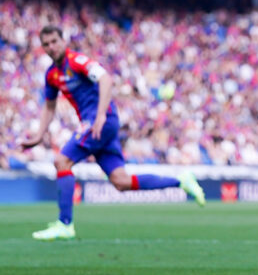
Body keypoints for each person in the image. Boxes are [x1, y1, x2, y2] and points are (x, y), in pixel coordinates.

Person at [20, 26, 206, 241]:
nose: (51, 47)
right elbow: (49, 106)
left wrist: (100, 115)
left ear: (63, 41)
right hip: (98, 125)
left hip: (101, 121)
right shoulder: (52, 75)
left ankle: (65, 224)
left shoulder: (77, 61)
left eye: (54, 41)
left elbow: (105, 78)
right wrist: (38, 135)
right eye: (46, 44)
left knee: (62, 161)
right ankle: (181, 181)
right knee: (121, 181)